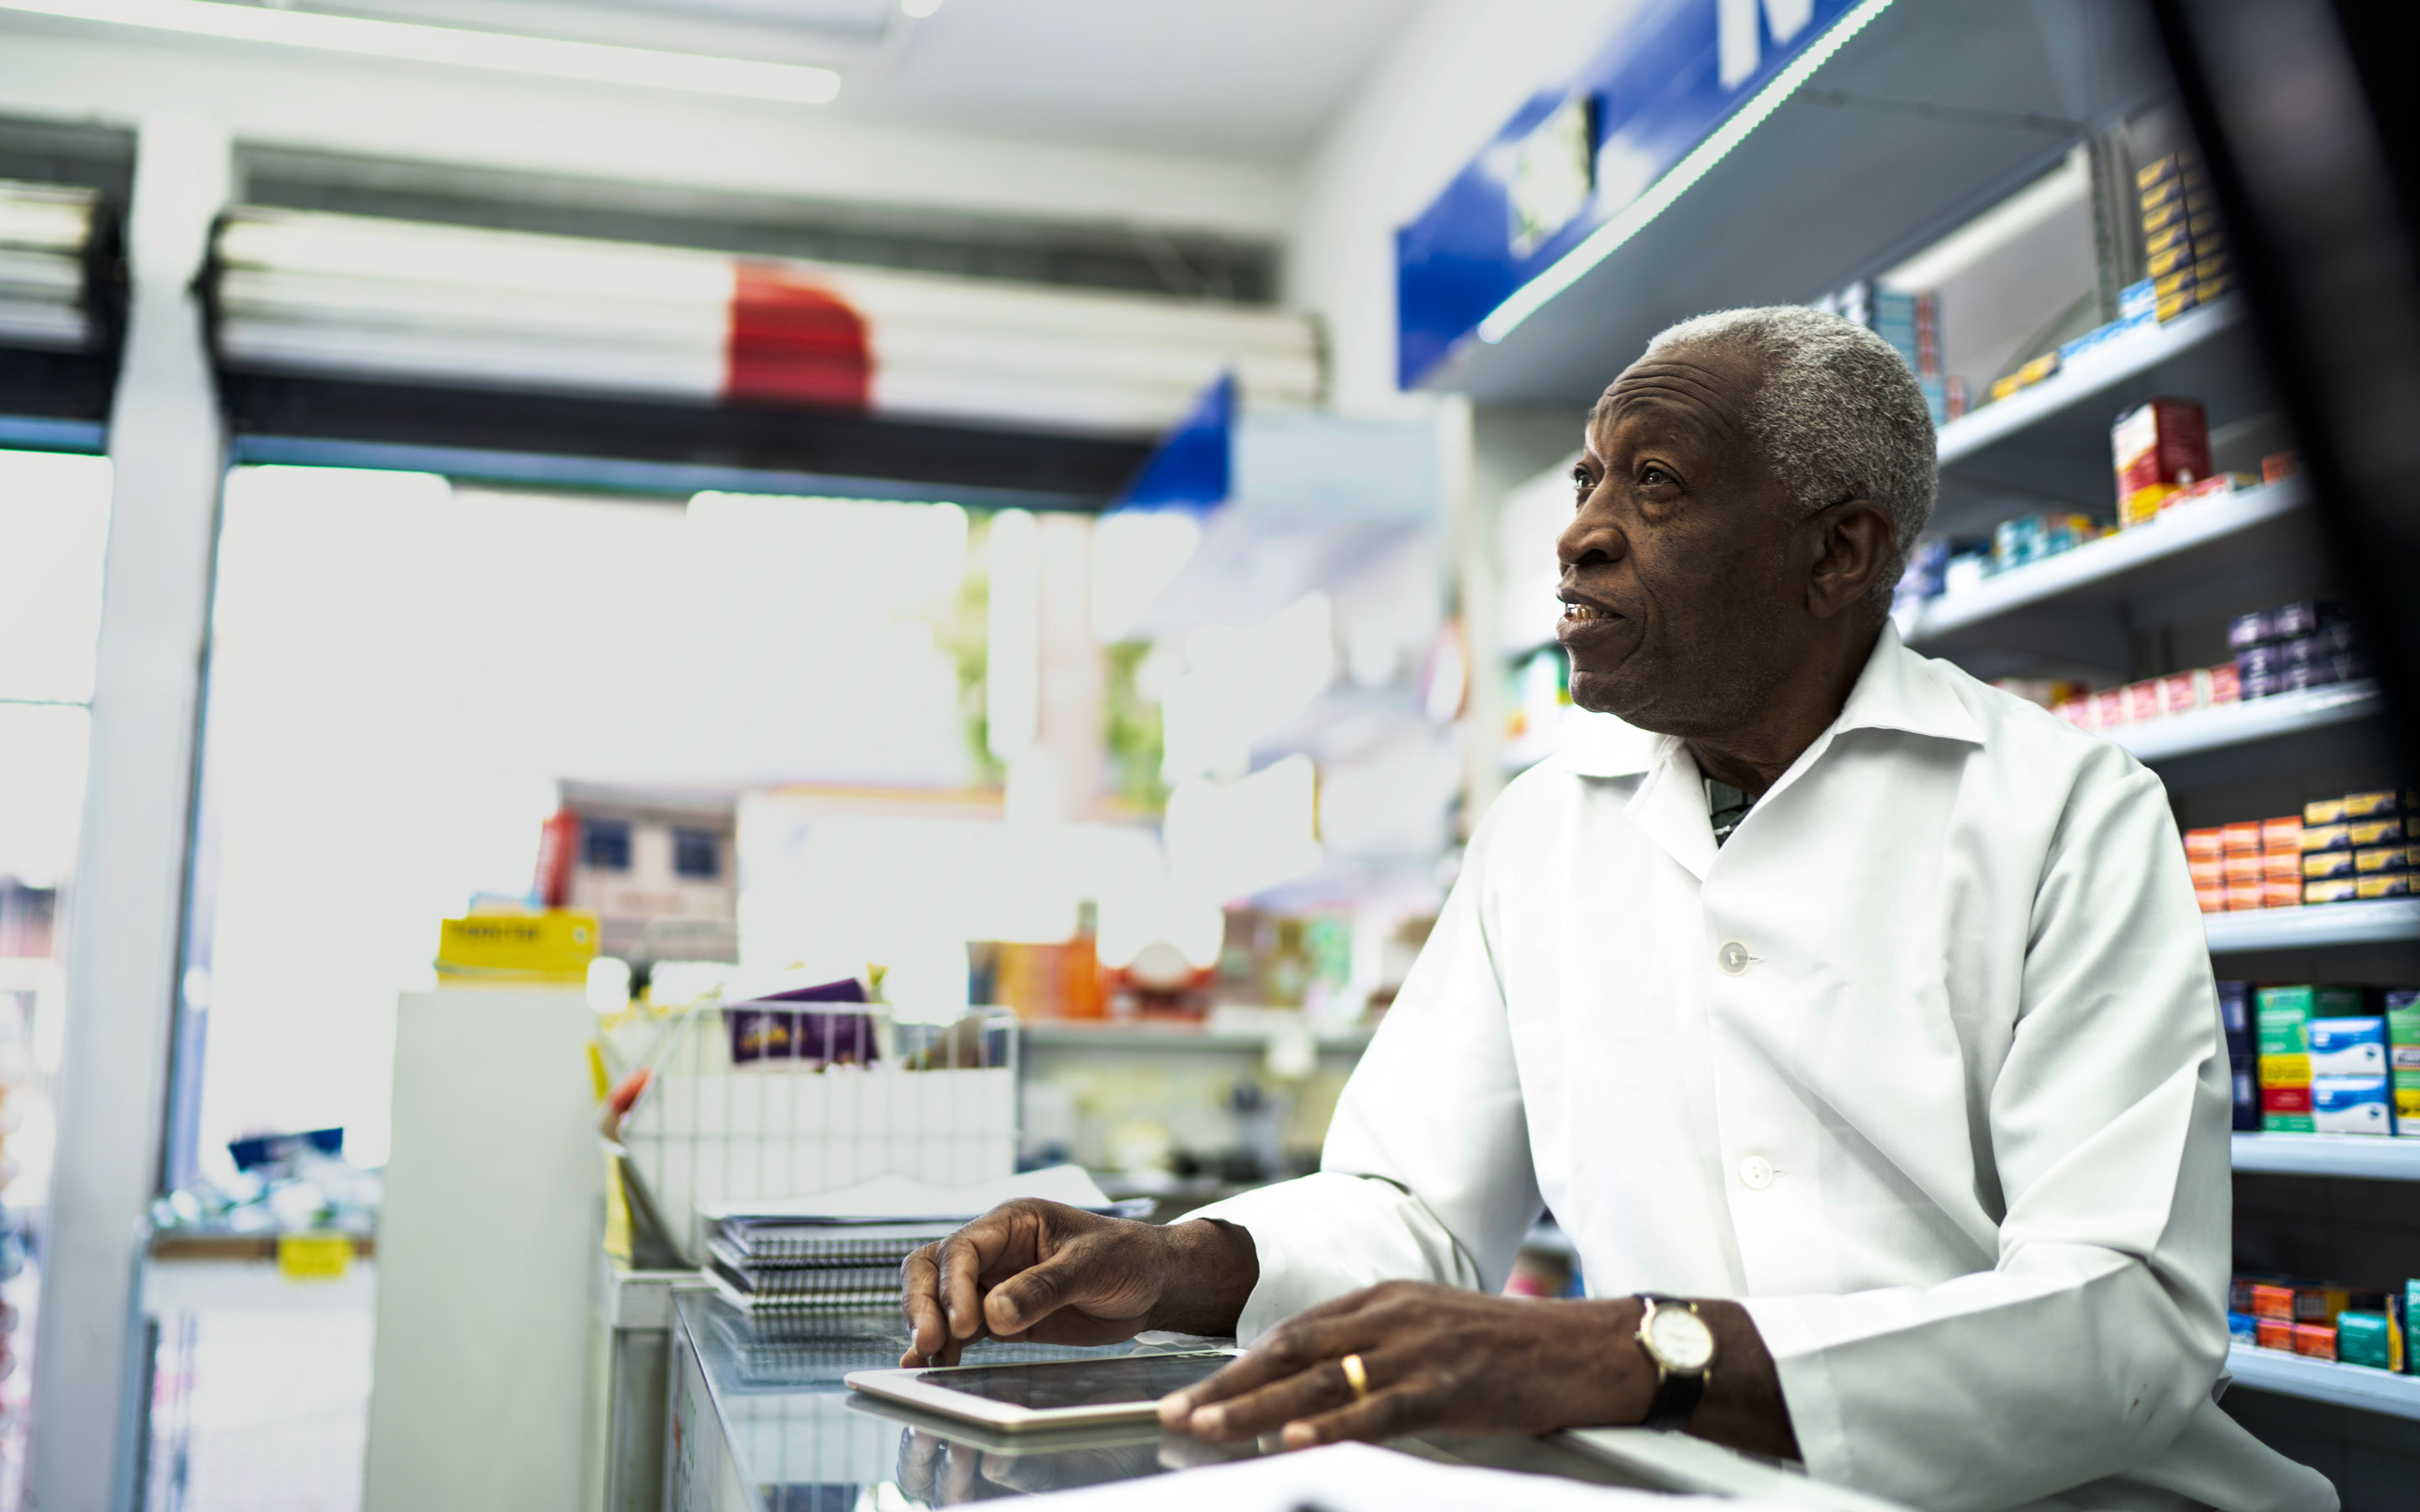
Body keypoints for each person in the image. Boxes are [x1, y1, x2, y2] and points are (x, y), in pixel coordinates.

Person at [898, 307, 2335, 1512]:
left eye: (1653, 486)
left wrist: (1647, 1353)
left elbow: (2126, 1314)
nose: (1580, 536)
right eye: (1588, 481)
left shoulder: (2064, 808)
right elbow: (1412, 1207)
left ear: (1838, 553)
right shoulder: (1546, 825)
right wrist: (1174, 1261)